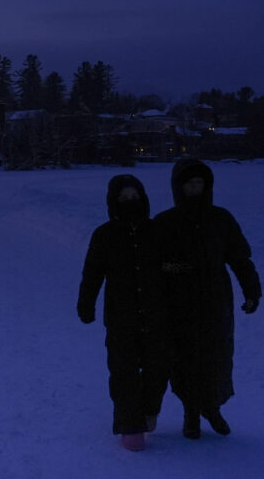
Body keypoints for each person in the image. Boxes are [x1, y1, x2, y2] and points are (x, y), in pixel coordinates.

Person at [155, 158, 262, 439]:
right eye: (190, 184)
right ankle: (191, 412)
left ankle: (212, 408)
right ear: (179, 187)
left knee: (216, 357)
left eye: (200, 184)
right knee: (185, 358)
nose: (195, 188)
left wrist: (252, 292)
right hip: (179, 302)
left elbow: (240, 258)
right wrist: (175, 270)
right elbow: (153, 264)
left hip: (216, 301)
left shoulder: (221, 219)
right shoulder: (166, 222)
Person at [78, 174, 169, 452]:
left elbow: (172, 269)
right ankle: (130, 425)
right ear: (114, 203)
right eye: (124, 198)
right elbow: (93, 272)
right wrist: (86, 303)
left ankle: (149, 410)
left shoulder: (157, 231)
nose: (130, 202)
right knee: (124, 371)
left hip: (156, 315)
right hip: (121, 318)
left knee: (158, 367)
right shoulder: (104, 235)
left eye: (134, 197)